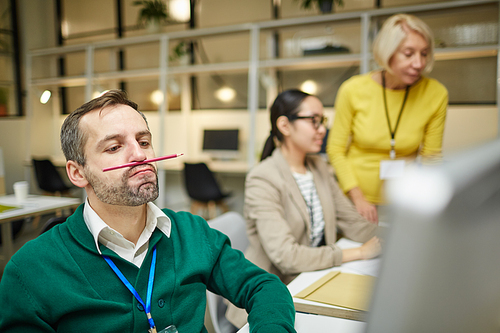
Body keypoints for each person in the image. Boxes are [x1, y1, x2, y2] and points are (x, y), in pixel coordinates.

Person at [0, 90, 296, 333]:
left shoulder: (191, 232)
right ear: (78, 174)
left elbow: (263, 286)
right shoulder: (29, 272)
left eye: (143, 142)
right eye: (114, 147)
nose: (140, 155)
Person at [226, 89, 381, 328]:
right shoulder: (263, 177)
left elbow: (353, 222)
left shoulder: (319, 167)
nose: (322, 129)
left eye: (323, 121)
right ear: (285, 126)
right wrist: (358, 253)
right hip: (273, 295)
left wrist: (396, 237)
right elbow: (287, 256)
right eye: (314, 121)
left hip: (313, 279)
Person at [327, 13, 448, 223]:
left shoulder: (436, 93)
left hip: (404, 200)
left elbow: (431, 157)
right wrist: (358, 198)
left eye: (424, 54)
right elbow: (336, 149)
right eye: (409, 54)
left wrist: (423, 201)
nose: (418, 63)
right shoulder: (353, 89)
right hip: (355, 200)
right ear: (388, 52)